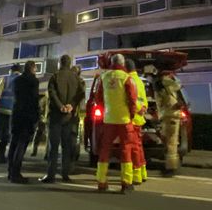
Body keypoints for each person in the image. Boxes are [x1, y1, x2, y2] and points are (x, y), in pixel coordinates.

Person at [95, 53, 137, 194]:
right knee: (126, 150)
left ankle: (101, 181)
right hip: (124, 119)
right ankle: (126, 183)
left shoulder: (104, 77)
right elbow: (132, 99)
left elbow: (98, 99)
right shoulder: (126, 78)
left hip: (108, 119)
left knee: (104, 150)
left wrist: (105, 112)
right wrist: (131, 114)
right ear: (123, 63)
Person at [40, 55, 85, 183]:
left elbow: (52, 93)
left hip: (56, 116)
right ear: (70, 64)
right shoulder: (76, 78)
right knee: (66, 147)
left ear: (60, 63)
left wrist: (61, 106)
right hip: (69, 118)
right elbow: (81, 94)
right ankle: (65, 174)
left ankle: (51, 175)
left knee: (53, 147)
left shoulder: (55, 76)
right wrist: (71, 105)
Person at [7, 60, 40, 183]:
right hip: (27, 115)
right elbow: (34, 99)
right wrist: (36, 116)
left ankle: (10, 171)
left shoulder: (16, 80)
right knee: (22, 145)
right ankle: (16, 173)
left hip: (16, 114)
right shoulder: (33, 81)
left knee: (14, 143)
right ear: (32, 68)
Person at [154, 70, 183, 176]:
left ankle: (170, 166)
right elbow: (179, 85)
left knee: (169, 142)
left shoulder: (159, 86)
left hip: (167, 116)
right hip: (173, 115)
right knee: (172, 142)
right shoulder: (170, 83)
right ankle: (171, 166)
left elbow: (159, 104)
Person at [126, 59, 148, 184]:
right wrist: (142, 108)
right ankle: (143, 173)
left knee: (132, 149)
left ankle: (136, 176)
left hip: (132, 118)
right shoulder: (140, 80)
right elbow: (143, 100)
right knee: (139, 148)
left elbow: (131, 100)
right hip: (139, 118)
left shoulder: (129, 80)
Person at [30, 91, 48, 157]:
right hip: (48, 120)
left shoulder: (43, 99)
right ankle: (47, 153)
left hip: (42, 119)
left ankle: (34, 151)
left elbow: (40, 108)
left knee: (37, 135)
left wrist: (40, 116)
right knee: (48, 137)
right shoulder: (51, 99)